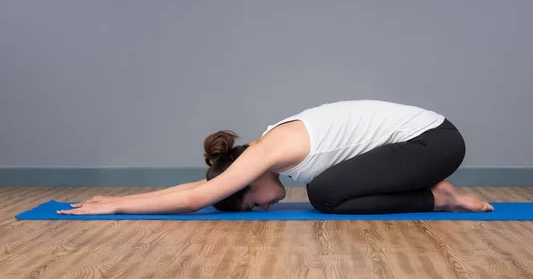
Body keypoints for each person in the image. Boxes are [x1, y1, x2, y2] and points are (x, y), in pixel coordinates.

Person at [58, 100, 493, 215]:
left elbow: (196, 200)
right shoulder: (265, 154)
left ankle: (440, 198)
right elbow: (202, 190)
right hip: (427, 142)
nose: (265, 204)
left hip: (433, 142)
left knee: (325, 194)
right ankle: (433, 192)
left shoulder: (269, 151)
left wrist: (116, 205)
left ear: (246, 179)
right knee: (328, 193)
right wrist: (119, 198)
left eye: (252, 202)